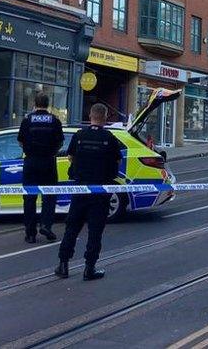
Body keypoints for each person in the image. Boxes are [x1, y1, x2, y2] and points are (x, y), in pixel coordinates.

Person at [55, 103, 123, 281]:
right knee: (95, 231)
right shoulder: (109, 138)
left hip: (80, 189)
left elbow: (70, 157)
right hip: (100, 191)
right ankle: (89, 268)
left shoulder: (79, 135)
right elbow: (116, 162)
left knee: (72, 227)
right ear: (106, 117)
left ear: (90, 115)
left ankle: (63, 264)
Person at [18, 92, 64, 244]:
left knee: (29, 198)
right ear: (48, 104)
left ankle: (30, 233)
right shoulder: (55, 121)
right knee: (49, 196)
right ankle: (46, 225)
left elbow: (21, 141)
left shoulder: (27, 120)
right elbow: (60, 142)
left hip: (31, 162)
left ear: (35, 104)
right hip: (48, 162)